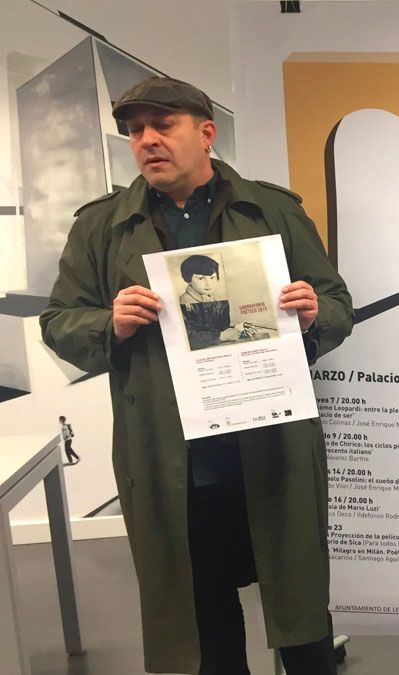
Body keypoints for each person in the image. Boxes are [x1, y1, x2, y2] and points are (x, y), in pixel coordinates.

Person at [40, 76, 354, 675]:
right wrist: (112, 323)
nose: (148, 141)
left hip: (271, 446)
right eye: (136, 131)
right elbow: (58, 321)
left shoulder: (272, 210)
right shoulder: (102, 226)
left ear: (205, 133)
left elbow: (338, 303)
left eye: (164, 125)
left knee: (302, 617)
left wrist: (315, 311)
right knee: (201, 622)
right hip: (171, 460)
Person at [177, 254, 266, 349]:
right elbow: (184, 337)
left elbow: (222, 327)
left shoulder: (220, 301)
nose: (208, 284)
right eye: (201, 278)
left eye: (212, 277)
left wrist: (238, 330)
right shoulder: (181, 303)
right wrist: (220, 336)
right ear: (188, 279)